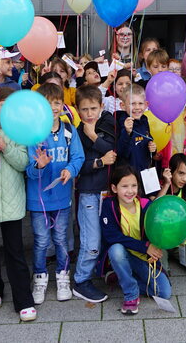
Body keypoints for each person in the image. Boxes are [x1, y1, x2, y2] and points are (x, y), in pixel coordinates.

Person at [26, 82, 84, 305]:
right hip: (37, 200)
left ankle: (62, 276)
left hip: (62, 198)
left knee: (61, 239)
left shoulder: (69, 131)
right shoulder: (32, 134)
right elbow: (28, 170)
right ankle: (40, 278)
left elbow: (78, 157)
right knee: (41, 241)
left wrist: (70, 170)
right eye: (47, 103)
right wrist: (38, 166)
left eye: (57, 103)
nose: (53, 107)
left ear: (63, 105)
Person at [0, 88, 36, 321]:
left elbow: (24, 162)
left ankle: (23, 299)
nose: (5, 109)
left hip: (13, 199)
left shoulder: (18, 132)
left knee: (15, 252)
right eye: (1, 103)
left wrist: (6, 147)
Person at [99, 165, 172, 314]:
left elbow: (157, 232)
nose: (130, 191)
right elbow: (111, 236)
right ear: (114, 188)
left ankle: (119, 277)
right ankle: (131, 294)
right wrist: (145, 247)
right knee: (116, 249)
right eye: (124, 186)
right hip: (123, 254)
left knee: (164, 293)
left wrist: (155, 249)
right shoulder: (109, 205)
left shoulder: (145, 205)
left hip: (142, 258)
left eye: (133, 186)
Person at [72, 83, 116, 303]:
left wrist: (94, 137)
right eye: (84, 110)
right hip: (89, 192)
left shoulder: (106, 122)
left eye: (93, 109)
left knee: (107, 236)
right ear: (77, 110)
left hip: (108, 192)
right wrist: (98, 162)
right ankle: (80, 281)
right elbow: (77, 165)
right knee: (91, 241)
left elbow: (112, 150)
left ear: (100, 106)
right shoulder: (76, 132)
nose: (89, 114)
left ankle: (103, 271)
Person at [116, 84, 157, 173]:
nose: (137, 107)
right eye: (132, 104)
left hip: (145, 173)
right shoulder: (119, 122)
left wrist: (153, 148)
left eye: (140, 103)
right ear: (122, 105)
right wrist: (126, 132)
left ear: (146, 105)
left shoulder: (144, 121)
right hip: (128, 175)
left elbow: (148, 140)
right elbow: (120, 152)